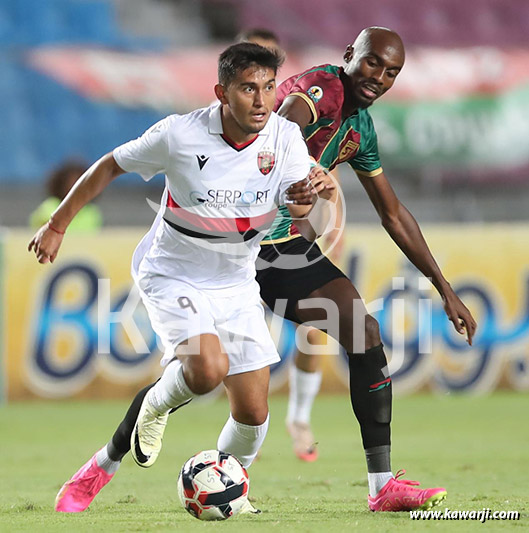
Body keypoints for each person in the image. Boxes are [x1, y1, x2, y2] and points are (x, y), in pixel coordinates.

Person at [28, 43, 335, 514]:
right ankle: (113, 453)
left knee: (253, 412)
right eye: (248, 88)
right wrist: (58, 224)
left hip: (235, 281)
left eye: (269, 88)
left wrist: (303, 198)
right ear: (221, 92)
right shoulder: (180, 134)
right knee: (206, 371)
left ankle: (228, 489)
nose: (261, 100)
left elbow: (297, 205)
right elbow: (110, 165)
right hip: (172, 273)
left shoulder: (285, 137)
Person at [255, 26, 477, 511]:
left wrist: (445, 289)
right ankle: (108, 459)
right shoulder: (325, 88)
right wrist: (300, 167)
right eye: (373, 62)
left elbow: (393, 215)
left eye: (392, 71)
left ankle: (382, 487)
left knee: (363, 330)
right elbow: (285, 124)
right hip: (228, 244)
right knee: (201, 378)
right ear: (350, 55)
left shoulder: (361, 131)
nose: (379, 76)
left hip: (280, 249)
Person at [237, 28, 344, 462]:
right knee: (249, 338)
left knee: (315, 325)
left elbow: (329, 170)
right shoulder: (224, 119)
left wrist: (329, 210)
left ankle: (298, 417)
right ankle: (248, 423)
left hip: (296, 228)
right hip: (242, 241)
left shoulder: (304, 111)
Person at [29, 159, 102, 231]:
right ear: (61, 184)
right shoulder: (49, 207)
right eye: (70, 183)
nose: (74, 187)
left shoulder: (92, 213)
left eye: (78, 182)